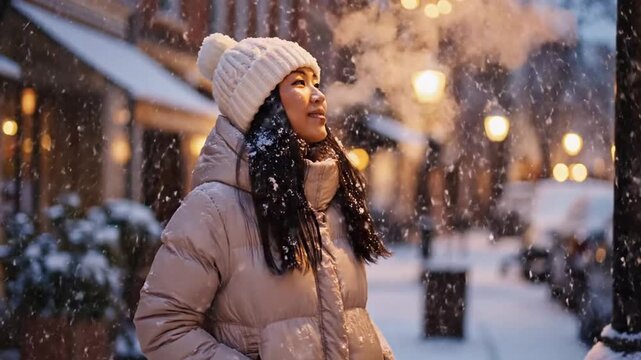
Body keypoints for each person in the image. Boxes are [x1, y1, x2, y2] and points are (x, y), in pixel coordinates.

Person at [134, 33, 394, 360]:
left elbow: (349, 318)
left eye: (316, 82)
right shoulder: (214, 209)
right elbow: (163, 326)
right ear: (261, 105)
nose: (318, 95)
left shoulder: (330, 199)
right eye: (299, 83)